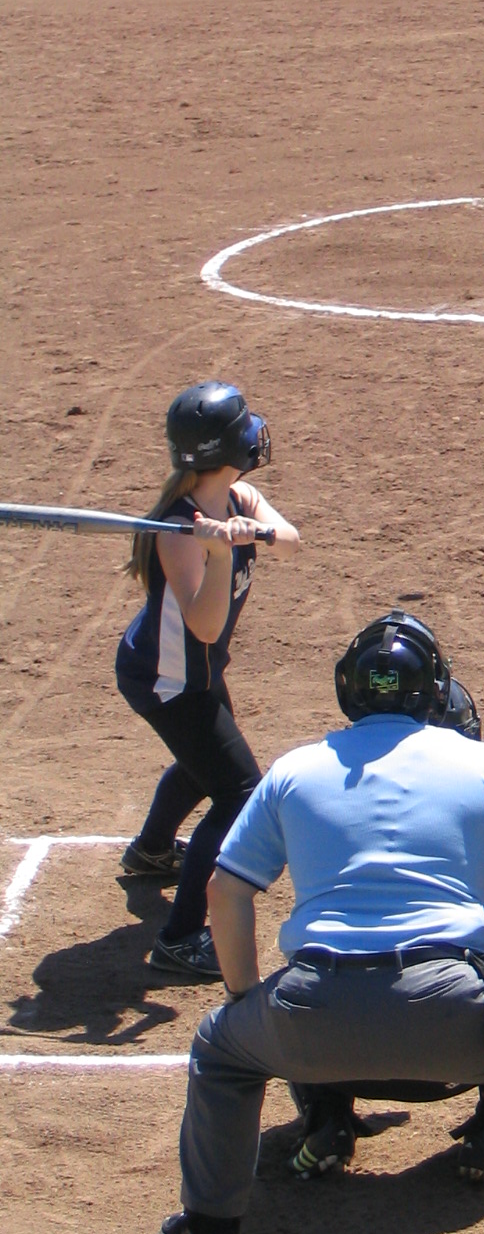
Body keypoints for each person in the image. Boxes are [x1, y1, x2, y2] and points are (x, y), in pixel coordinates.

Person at [149, 611, 484, 1234]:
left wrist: (245, 1005)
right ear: (437, 690)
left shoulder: (295, 770)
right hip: (458, 1027)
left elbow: (223, 892)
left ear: (348, 690)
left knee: (220, 1051)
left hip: (310, 1025)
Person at [287, 678, 484, 1190]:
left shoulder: (328, 804)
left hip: (331, 1045)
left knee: (307, 969)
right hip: (449, 1043)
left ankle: (325, 1121)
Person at [115, 381, 300, 983]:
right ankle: (180, 936)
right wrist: (219, 556)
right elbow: (203, 624)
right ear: (230, 446)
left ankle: (149, 852)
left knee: (205, 764)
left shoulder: (239, 495)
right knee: (239, 790)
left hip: (193, 671)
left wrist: (254, 532)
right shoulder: (178, 533)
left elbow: (292, 540)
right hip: (171, 678)